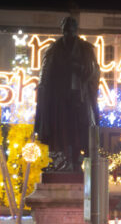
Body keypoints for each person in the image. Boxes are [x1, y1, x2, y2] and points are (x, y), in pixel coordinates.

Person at [34, 16, 100, 171]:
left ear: (75, 30)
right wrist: (42, 89)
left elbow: (94, 71)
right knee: (59, 131)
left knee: (79, 130)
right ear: (62, 30)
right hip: (59, 99)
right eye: (65, 30)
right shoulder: (53, 49)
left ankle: (76, 162)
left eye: (71, 30)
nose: (68, 33)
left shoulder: (85, 49)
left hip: (79, 98)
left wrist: (78, 67)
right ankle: (61, 161)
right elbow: (45, 72)